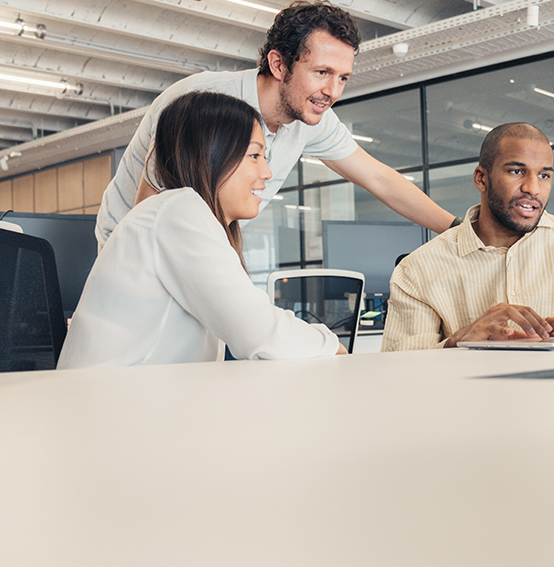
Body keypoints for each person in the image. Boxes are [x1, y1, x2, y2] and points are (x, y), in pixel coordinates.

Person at [95, 1, 457, 248]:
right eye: (321, 73)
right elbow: (146, 216)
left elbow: (378, 178)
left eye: (343, 78)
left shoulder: (311, 118)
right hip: (133, 244)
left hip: (208, 248)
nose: (332, 91)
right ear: (279, 64)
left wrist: (459, 231)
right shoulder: (202, 103)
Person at [59, 91, 345, 369]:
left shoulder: (181, 214)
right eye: (255, 156)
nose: (267, 173)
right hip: (109, 408)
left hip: (131, 402)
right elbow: (257, 331)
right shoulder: (177, 209)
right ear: (212, 155)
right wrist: (332, 345)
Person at [381, 123, 554, 351]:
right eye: (516, 171)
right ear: (481, 178)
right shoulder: (417, 270)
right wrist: (458, 342)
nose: (533, 188)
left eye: (544, 175)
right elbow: (399, 372)